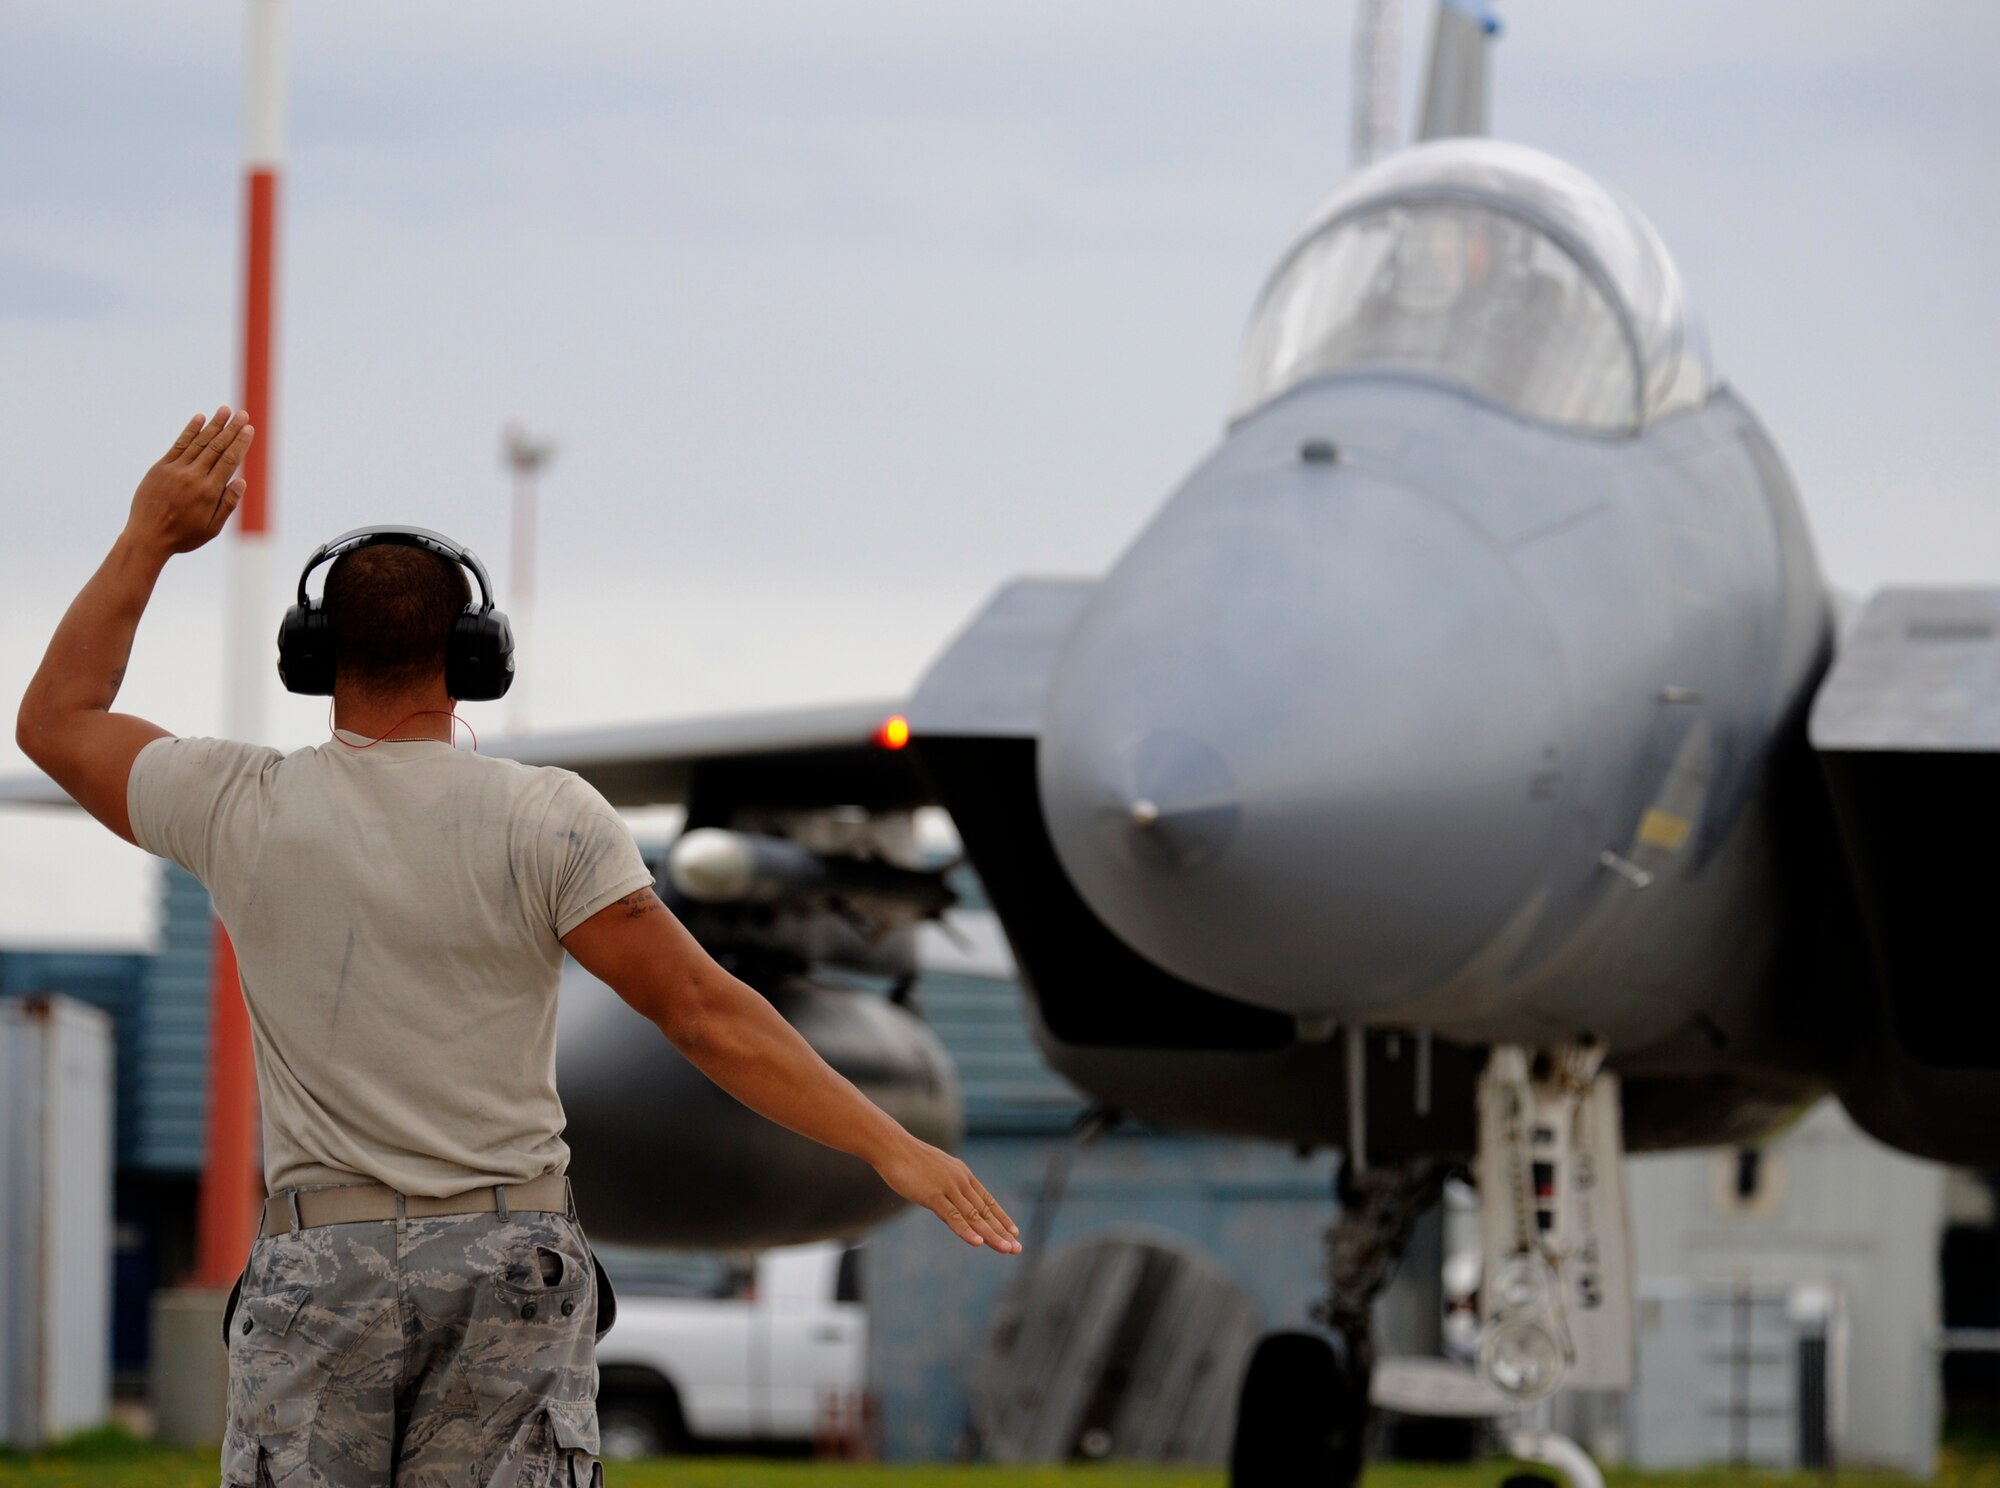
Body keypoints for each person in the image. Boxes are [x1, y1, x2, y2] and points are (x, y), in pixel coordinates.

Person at [15, 407, 1019, 1487]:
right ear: (472, 658)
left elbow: (57, 719)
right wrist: (891, 1146)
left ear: (314, 659)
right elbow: (705, 1012)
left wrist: (148, 536)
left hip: (321, 1264)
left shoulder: (237, 805)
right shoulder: (552, 820)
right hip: (508, 1262)